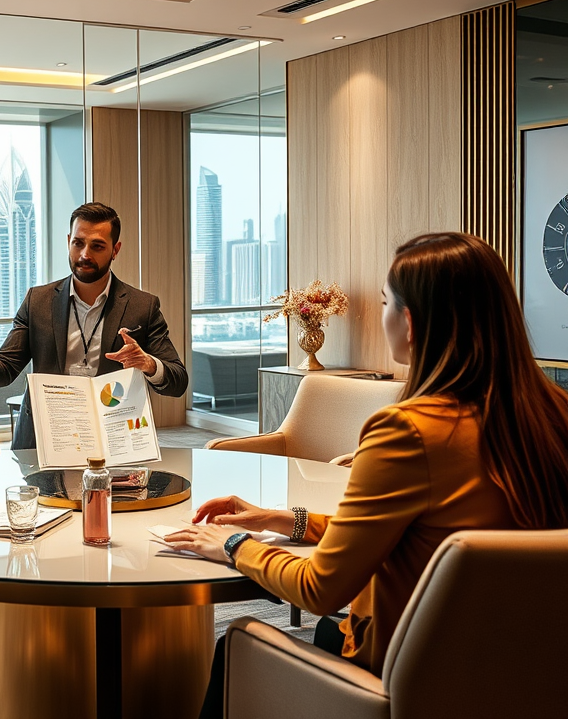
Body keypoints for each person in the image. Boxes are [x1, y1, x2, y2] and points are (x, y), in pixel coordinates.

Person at [164, 232, 568, 715]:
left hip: (407, 681)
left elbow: (321, 588)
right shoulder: (554, 413)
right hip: (528, 677)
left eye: (383, 302)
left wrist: (232, 546)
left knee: (237, 643)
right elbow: (433, 539)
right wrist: (282, 520)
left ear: (410, 322)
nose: (382, 316)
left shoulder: (408, 431)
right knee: (329, 630)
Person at [0, 202, 188, 449]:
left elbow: (178, 381)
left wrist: (148, 364)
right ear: (68, 241)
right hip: (44, 440)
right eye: (78, 243)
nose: (85, 255)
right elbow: (4, 369)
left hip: (113, 441)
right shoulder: (38, 301)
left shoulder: (142, 306)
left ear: (115, 250)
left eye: (97, 246)